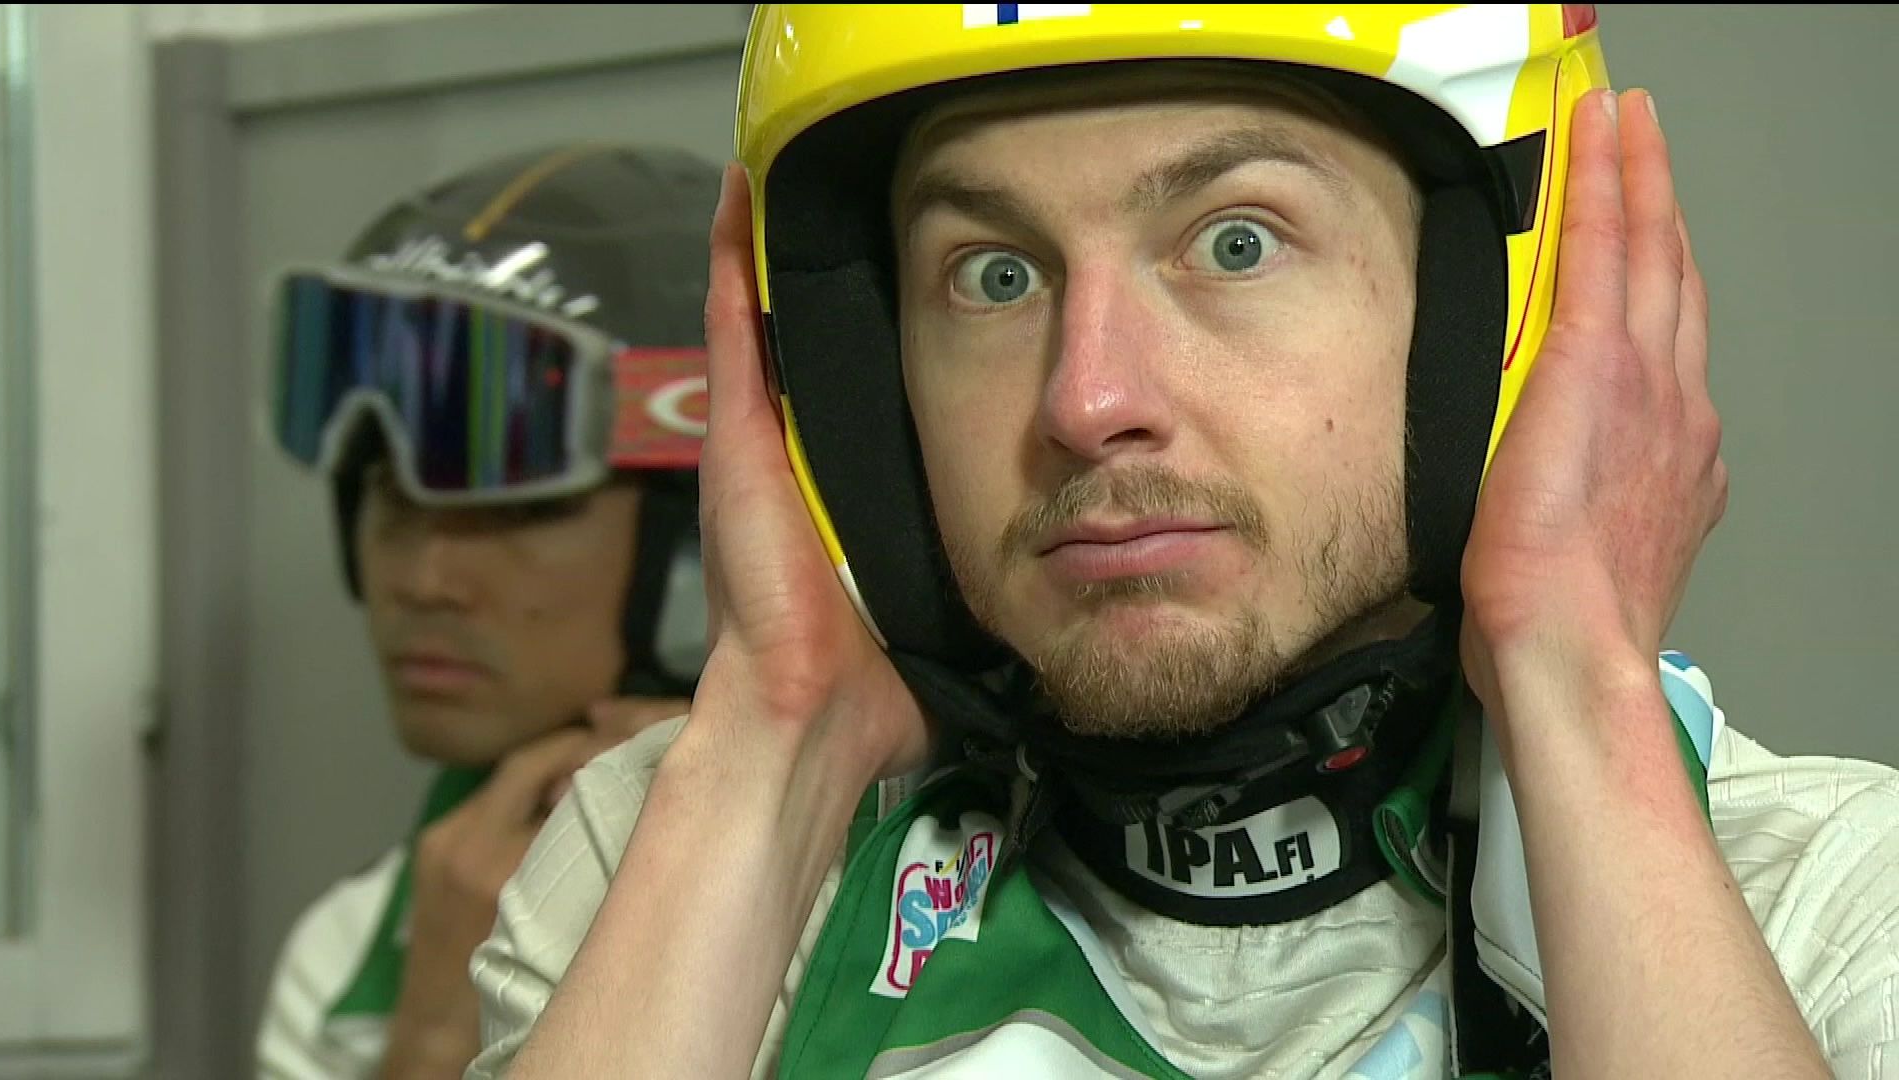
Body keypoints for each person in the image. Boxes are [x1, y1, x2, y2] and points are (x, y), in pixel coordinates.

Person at [470, 7, 1899, 1078]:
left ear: (1496, 306)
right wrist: (770, 744)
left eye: (1235, 242)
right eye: (994, 274)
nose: (1088, 403)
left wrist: (1580, 686)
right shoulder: (672, 855)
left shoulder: (1832, 901)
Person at [253, 142, 720, 1079]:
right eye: (390, 498)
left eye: (514, 513)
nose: (425, 580)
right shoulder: (350, 950)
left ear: (700, 536)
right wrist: (433, 1032)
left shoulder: (918, 901)